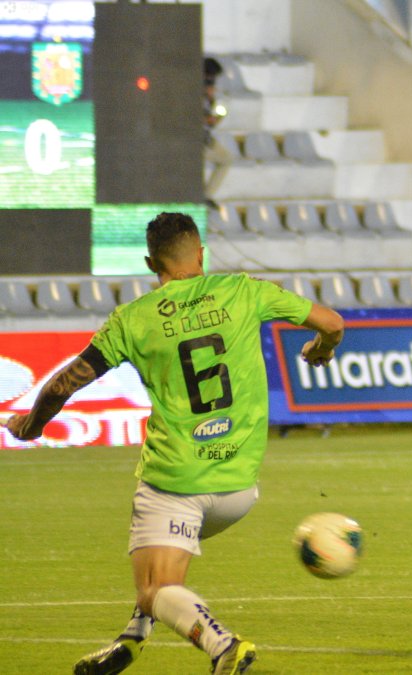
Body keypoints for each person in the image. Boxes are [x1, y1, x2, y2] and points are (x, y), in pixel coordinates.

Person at [4, 213, 344, 675]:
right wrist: (321, 349)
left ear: (151, 262)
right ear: (200, 253)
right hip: (240, 487)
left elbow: (65, 383)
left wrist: (32, 425)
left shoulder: (133, 319)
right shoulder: (244, 291)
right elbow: (331, 322)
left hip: (176, 483)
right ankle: (132, 638)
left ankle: (224, 645)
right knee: (162, 572)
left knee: (155, 587)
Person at [204, 57, 234, 205]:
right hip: (195, 141)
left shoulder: (208, 94)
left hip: (205, 138)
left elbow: (210, 122)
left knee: (226, 158)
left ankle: (207, 194)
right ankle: (203, 195)